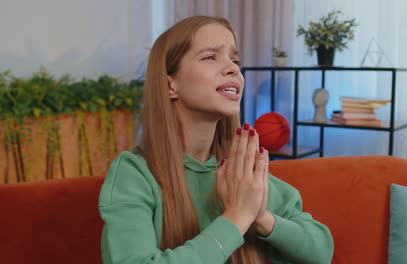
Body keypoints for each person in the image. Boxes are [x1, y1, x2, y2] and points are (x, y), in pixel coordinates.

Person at [98, 16, 334, 264]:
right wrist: (237, 216)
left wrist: (261, 216)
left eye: (235, 59)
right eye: (210, 57)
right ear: (170, 85)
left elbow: (321, 251)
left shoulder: (242, 174)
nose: (233, 68)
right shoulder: (134, 173)